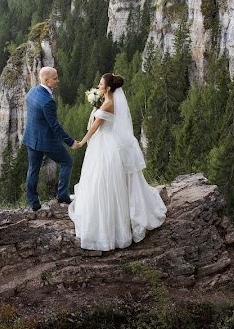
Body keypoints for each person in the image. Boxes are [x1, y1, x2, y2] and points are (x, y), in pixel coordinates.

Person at [69, 73, 166, 251]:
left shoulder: (107, 104)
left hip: (104, 145)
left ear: (108, 88)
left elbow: (94, 127)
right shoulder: (109, 101)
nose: (98, 86)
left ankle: (108, 227)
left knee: (102, 181)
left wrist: (81, 142)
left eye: (101, 84)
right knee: (106, 180)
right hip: (108, 142)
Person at [22, 66, 80, 211]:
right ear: (47, 81)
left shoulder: (32, 92)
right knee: (67, 162)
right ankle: (62, 195)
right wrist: (70, 142)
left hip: (31, 138)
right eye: (55, 78)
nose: (57, 81)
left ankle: (34, 204)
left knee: (33, 169)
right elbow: (55, 126)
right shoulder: (48, 101)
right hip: (46, 141)